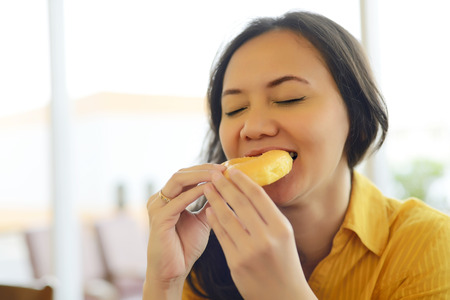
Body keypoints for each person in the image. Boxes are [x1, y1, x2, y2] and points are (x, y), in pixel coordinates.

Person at [143, 11, 450, 300]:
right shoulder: (203, 251)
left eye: (289, 98)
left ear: (356, 119)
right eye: (235, 109)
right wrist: (165, 282)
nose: (252, 127)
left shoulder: (430, 244)